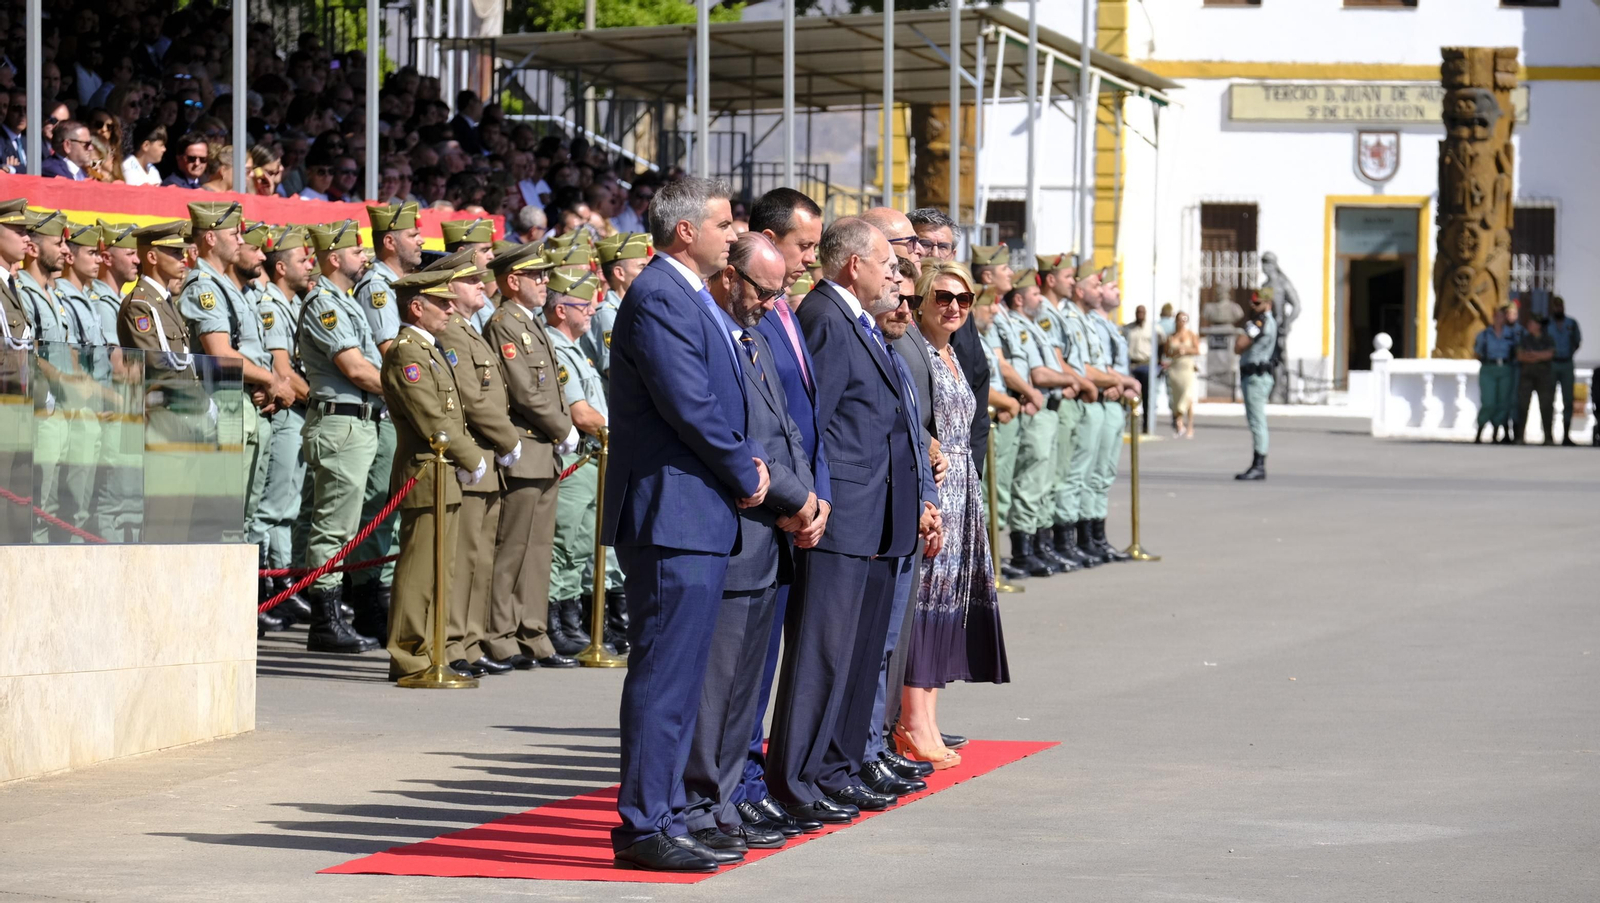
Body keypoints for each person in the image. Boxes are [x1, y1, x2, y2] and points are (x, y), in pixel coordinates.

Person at [602, 176, 762, 873]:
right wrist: (746, 470)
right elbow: (690, 404)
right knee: (664, 676)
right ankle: (643, 824)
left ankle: (663, 811)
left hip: (695, 511)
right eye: (725, 223)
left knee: (681, 676)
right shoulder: (660, 296)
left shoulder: (688, 295)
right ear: (686, 230)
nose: (736, 233)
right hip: (672, 512)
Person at [768, 217, 937, 824]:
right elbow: (813, 424)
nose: (897, 272)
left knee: (859, 654)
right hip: (842, 516)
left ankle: (837, 768)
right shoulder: (825, 318)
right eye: (886, 262)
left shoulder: (859, 321)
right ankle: (797, 779)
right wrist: (817, 500)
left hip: (878, 513)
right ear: (852, 265)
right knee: (823, 654)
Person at [683, 232, 815, 858]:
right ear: (730, 277)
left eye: (778, 291)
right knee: (719, 688)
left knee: (745, 690)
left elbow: (788, 430)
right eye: (765, 290)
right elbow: (737, 439)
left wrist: (811, 500)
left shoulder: (755, 336)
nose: (772, 302)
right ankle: (703, 805)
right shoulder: (714, 336)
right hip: (742, 528)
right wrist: (794, 501)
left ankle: (728, 799)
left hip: (774, 530)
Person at [738, 186, 836, 837]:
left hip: (795, 506)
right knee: (738, 669)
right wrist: (791, 499)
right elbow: (755, 427)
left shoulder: (784, 312)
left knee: (761, 662)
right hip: (762, 512)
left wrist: (815, 493)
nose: (809, 258)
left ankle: (753, 778)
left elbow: (804, 420)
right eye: (802, 245)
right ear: (768, 240)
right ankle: (739, 784)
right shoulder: (753, 312)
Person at [900, 259, 1010, 768]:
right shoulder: (912, 350)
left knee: (949, 605)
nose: (953, 307)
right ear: (920, 298)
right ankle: (913, 720)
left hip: (964, 487)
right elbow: (903, 414)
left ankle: (930, 717)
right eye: (942, 297)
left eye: (963, 300)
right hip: (937, 487)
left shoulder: (949, 354)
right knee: (925, 604)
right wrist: (928, 446)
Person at [176, 202, 289, 600]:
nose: (242, 240)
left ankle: (229, 609)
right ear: (210, 237)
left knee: (242, 516)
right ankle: (208, 605)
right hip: (223, 405)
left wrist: (265, 384)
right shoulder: (204, 286)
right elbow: (222, 353)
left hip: (244, 403)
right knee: (219, 518)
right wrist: (272, 380)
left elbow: (247, 352)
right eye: (234, 234)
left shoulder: (228, 286)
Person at [380, 269, 487, 683]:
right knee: (418, 573)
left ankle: (432, 653)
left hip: (443, 472)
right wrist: (470, 455)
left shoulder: (428, 348)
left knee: (441, 573)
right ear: (416, 307)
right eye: (441, 303)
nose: (450, 308)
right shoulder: (408, 352)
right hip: (426, 471)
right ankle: (408, 656)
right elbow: (430, 416)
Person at [426, 249, 524, 678]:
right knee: (462, 558)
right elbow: (470, 396)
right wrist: (507, 437)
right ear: (450, 289)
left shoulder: (469, 330)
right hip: (475, 451)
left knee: (479, 558)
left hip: (487, 455)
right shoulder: (450, 333)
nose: (482, 286)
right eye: (470, 282)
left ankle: (467, 638)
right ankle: (449, 643)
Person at [482, 234, 578, 671]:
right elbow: (523, 389)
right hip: (528, 443)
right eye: (537, 276)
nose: (545, 282)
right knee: (513, 548)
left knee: (538, 548)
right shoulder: (505, 321)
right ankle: (500, 633)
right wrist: (564, 427)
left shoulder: (530, 321)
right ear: (513, 280)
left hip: (545, 448)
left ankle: (532, 631)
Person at [296, 220, 385, 653]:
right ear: (334, 258)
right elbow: (355, 368)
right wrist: (408, 388)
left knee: (345, 525)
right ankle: (324, 621)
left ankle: (333, 612)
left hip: (356, 421)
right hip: (341, 423)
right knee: (333, 527)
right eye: (356, 251)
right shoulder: (323, 303)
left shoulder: (343, 302)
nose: (364, 257)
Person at [347, 202, 425, 625]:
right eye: (414, 235)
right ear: (390, 241)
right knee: (381, 508)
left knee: (394, 509)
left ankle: (383, 596)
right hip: (390, 409)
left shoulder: (400, 283)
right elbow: (390, 355)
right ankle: (367, 601)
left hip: (402, 409)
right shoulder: (379, 287)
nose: (421, 241)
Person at [542, 267, 613, 655]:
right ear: (560, 311)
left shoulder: (577, 352)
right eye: (582, 306)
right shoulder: (557, 348)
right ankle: (553, 620)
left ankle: (569, 618)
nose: (591, 311)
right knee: (564, 542)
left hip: (591, 458)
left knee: (582, 543)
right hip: (576, 459)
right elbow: (580, 413)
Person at [253, 225, 314, 617]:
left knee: (288, 503)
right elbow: (283, 370)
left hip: (297, 412)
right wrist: (321, 401)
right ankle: (265, 586)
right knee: (272, 505)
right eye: (303, 260)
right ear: (280, 267)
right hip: (288, 412)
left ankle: (282, 583)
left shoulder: (289, 303)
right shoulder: (273, 306)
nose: (310, 266)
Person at [1001, 272, 1073, 575]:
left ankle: (1040, 546)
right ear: (1019, 299)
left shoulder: (1033, 326)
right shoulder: (1017, 326)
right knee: (1029, 482)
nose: (1040, 298)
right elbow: (1037, 374)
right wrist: (1071, 378)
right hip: (1034, 408)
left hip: (1047, 405)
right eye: (1034, 294)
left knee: (1045, 483)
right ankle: (1022, 551)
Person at [1033, 253, 1100, 570]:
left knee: (1066, 475)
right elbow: (1056, 360)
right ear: (1051, 279)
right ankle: (1050, 543)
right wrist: (1079, 381)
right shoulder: (1044, 313)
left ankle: (1061, 542)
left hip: (1069, 395)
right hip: (1059, 398)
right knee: (1056, 477)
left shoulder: (1060, 313)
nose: (1072, 283)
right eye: (1068, 277)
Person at [586, 230, 650, 388]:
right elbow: (616, 372)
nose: (648, 272)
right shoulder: (607, 315)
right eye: (642, 267)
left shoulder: (633, 309)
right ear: (620, 273)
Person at [1235, 289, 1276, 480]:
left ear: (1268, 303)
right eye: (1252, 304)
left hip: (1255, 378)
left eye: (1257, 303)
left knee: (1257, 421)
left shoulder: (1260, 322)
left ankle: (1259, 464)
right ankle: (1257, 463)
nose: (1253, 307)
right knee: (1256, 421)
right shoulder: (1267, 321)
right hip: (1255, 376)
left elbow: (1240, 345)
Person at [1473, 305, 1517, 445]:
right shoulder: (1484, 334)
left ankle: (1496, 433)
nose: (1499, 319)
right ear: (1493, 317)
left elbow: (1517, 351)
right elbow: (1476, 352)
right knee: (1489, 401)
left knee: (1503, 402)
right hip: (1488, 368)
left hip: (1505, 368)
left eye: (1502, 316)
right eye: (1497, 316)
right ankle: (1480, 431)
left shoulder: (1511, 334)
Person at [1514, 315, 1556, 446]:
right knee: (1522, 406)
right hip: (1527, 376)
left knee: (1546, 406)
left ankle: (1548, 437)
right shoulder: (1525, 339)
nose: (1529, 325)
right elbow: (1520, 356)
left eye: (1532, 323)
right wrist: (1539, 356)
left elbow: (1550, 354)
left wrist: (1533, 355)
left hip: (1543, 377)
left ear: (1538, 325)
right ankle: (1520, 436)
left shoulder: (1547, 339)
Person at [1547, 296, 1582, 445]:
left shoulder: (1571, 323)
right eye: (1555, 307)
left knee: (1568, 399)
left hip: (1567, 363)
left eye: (1560, 306)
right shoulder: (1547, 324)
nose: (1558, 309)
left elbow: (1577, 341)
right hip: (1552, 364)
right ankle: (1548, 436)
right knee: (1549, 399)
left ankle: (1566, 434)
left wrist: (1569, 353)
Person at [1164, 311, 1201, 439]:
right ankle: (1179, 423)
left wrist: (1185, 350)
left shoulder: (1191, 335)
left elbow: (1197, 350)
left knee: (1187, 395)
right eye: (1179, 319)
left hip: (1187, 368)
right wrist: (1175, 352)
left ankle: (1190, 426)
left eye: (1184, 319)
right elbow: (1167, 353)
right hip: (1175, 368)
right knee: (1176, 396)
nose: (1181, 322)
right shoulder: (1171, 336)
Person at [1124, 304, 1154, 433]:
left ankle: (1146, 424)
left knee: (1146, 396)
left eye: (1142, 312)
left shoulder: (1151, 329)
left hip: (1145, 364)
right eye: (1138, 312)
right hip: (1132, 364)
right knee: (1128, 395)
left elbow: (1162, 343)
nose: (1140, 315)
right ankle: (1127, 422)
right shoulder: (1128, 329)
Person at [122, 120, 166, 186]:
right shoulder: (127, 167)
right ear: (146, 146)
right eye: (161, 145)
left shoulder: (153, 170)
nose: (164, 149)